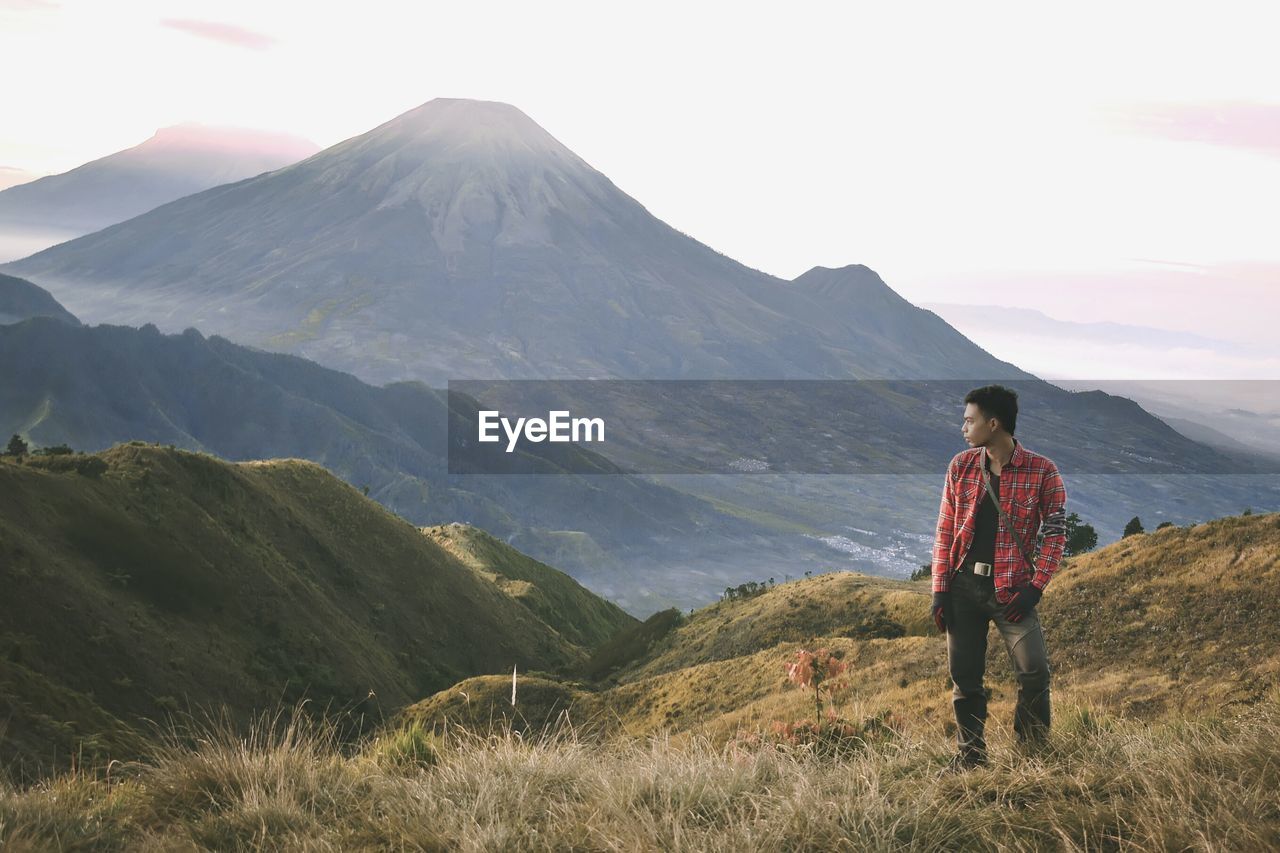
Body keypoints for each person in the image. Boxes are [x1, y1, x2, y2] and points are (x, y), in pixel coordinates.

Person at [929, 384, 1068, 769]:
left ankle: (1033, 752)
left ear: (994, 424)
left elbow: (1056, 533)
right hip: (962, 587)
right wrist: (940, 591)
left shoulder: (1043, 472)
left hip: (1013, 591)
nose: (963, 428)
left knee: (1034, 670)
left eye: (969, 420)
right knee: (965, 680)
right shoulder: (960, 466)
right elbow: (945, 531)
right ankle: (971, 756)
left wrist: (1036, 588)